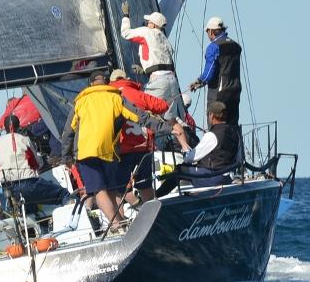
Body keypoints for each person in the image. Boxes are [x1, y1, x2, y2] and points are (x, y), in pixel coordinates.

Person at [61, 70, 140, 231]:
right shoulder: (116, 97)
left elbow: (69, 131)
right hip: (109, 151)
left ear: (90, 84)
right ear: (106, 82)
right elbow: (138, 115)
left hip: (86, 152)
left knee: (98, 190)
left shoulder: (81, 101)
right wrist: (162, 125)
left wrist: (66, 156)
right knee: (110, 188)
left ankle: (117, 224)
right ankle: (122, 222)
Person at [109, 69, 170, 204]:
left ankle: (124, 217)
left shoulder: (110, 97)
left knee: (118, 187)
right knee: (145, 184)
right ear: (127, 79)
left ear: (111, 82)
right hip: (143, 148)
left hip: (121, 150)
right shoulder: (139, 94)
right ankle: (152, 211)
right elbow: (163, 106)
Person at [120, 2, 185, 122]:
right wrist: (144, 70)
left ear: (154, 25)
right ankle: (182, 138)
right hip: (172, 82)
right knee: (171, 120)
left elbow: (125, 33)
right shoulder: (165, 40)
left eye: (148, 22)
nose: (146, 24)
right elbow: (160, 61)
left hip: (158, 82)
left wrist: (125, 15)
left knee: (143, 112)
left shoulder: (147, 32)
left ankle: (145, 140)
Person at [0, 115, 64, 212]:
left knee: (29, 210)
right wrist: (41, 162)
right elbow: (37, 163)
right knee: (63, 194)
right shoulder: (24, 139)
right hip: (29, 184)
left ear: (5, 128)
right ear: (18, 126)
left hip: (9, 190)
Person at [172, 100, 241, 188]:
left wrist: (184, 147)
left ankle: (158, 196)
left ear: (211, 115)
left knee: (179, 170)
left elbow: (190, 159)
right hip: (227, 178)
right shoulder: (236, 133)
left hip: (212, 178)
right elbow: (239, 158)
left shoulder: (212, 135)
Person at [188, 17, 242, 125]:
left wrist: (198, 82)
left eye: (207, 31)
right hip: (235, 90)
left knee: (215, 122)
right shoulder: (236, 46)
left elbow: (209, 74)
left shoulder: (213, 47)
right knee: (232, 124)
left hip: (219, 92)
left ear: (211, 31)